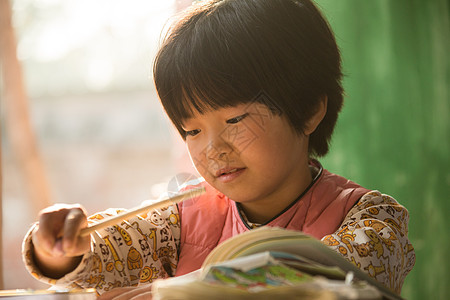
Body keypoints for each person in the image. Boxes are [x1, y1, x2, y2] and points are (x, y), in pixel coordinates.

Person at [22, 0, 415, 299]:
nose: (212, 149)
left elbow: (325, 281)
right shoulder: (181, 217)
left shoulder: (371, 220)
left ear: (310, 109)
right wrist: (61, 249)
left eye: (234, 121)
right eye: (191, 129)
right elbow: (106, 252)